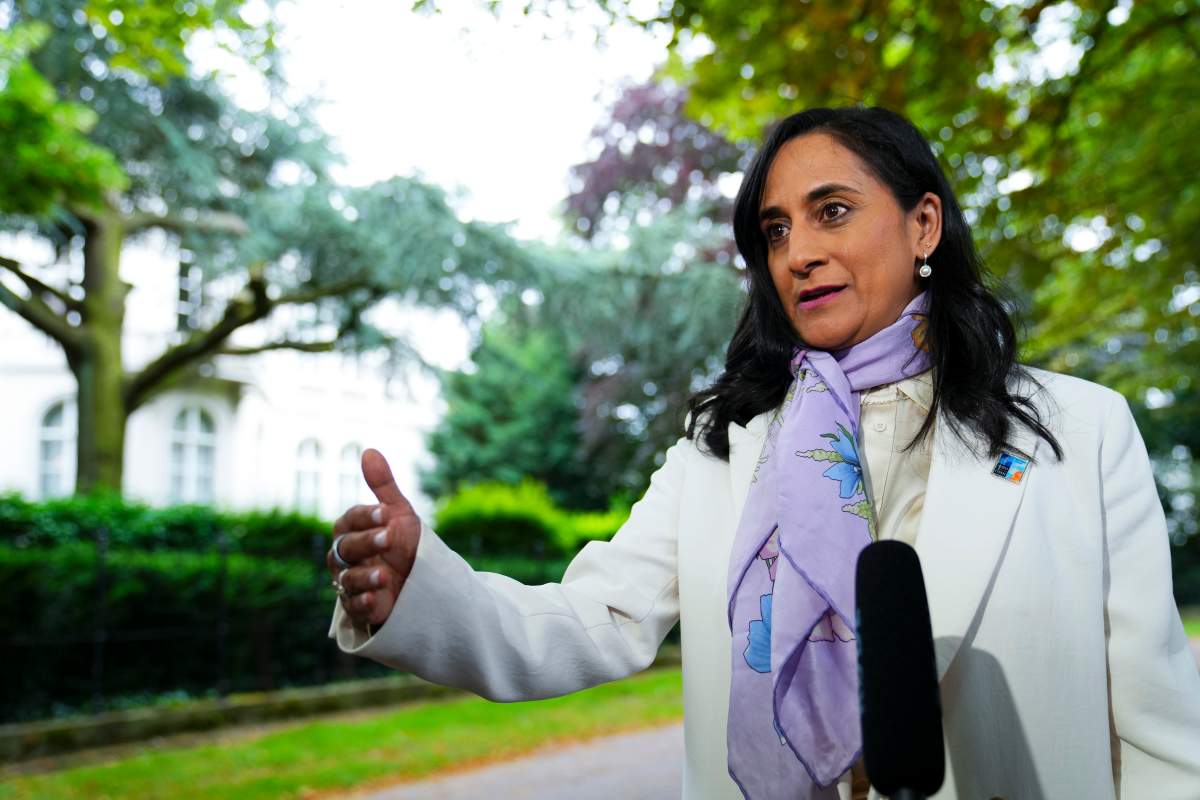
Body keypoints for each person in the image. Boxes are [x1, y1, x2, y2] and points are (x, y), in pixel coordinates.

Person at [324, 106, 1200, 800]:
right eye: (776, 231)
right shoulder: (722, 450)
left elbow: (1161, 731)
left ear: (924, 224)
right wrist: (421, 589)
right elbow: (594, 619)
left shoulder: (1079, 431)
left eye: (833, 212)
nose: (800, 254)